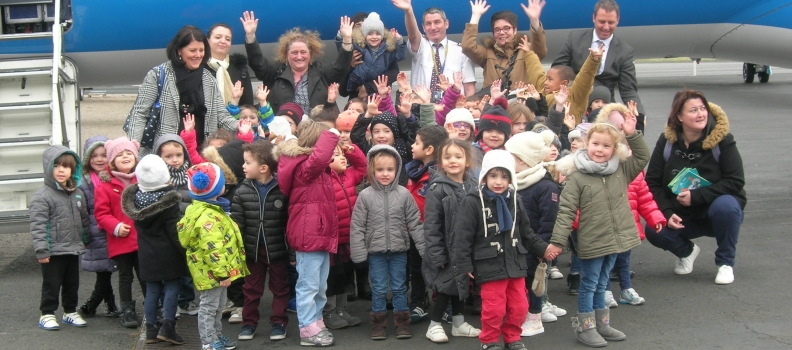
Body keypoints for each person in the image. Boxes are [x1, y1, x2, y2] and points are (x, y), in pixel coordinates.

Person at [546, 115, 648, 347]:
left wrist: (632, 134)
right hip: (592, 240)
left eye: (606, 145)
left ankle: (602, 324)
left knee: (603, 282)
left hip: (616, 238)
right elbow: (566, 211)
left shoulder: (620, 170)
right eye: (595, 144)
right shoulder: (578, 176)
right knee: (590, 282)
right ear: (586, 143)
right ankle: (586, 327)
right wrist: (558, 242)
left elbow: (642, 156)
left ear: (615, 149)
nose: (600, 150)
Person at [454, 150, 555, 350]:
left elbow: (526, 232)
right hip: (488, 264)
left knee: (520, 307)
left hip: (515, 262)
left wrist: (544, 249)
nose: (498, 181)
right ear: (484, 176)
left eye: (504, 176)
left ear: (510, 178)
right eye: (493, 176)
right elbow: (462, 236)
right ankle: (489, 341)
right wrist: (464, 263)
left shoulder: (515, 200)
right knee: (494, 308)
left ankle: (512, 338)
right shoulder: (473, 201)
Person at [643, 90, 746, 285]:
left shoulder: (723, 140)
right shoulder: (667, 142)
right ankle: (687, 252)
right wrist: (666, 211)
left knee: (727, 206)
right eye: (693, 110)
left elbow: (735, 181)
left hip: (715, 212)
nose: (700, 114)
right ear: (679, 117)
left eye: (702, 109)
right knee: (653, 227)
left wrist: (697, 196)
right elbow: (652, 183)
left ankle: (725, 263)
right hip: (682, 215)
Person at [350, 145, 426, 340]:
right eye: (380, 170)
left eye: (390, 170)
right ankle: (378, 324)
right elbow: (357, 225)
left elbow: (415, 223)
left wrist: (424, 247)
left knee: (400, 286)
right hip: (375, 252)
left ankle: (402, 323)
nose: (385, 174)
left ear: (397, 170)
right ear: (372, 171)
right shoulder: (365, 196)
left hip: (399, 251)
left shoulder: (403, 194)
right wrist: (358, 253)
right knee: (379, 287)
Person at [276, 119, 340, 346]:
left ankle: (315, 321)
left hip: (318, 235)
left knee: (320, 285)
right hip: (309, 236)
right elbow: (319, 157)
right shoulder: (305, 168)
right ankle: (307, 329)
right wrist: (332, 134)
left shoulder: (317, 169)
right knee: (309, 285)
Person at [126, 25, 238, 156]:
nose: (198, 55)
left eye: (201, 50)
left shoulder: (208, 80)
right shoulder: (158, 75)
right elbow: (139, 113)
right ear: (179, 50)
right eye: (192, 50)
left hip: (200, 155)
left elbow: (222, 116)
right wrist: (132, 145)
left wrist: (242, 126)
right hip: (166, 155)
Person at [178, 162, 249, 350]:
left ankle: (216, 335)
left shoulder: (208, 210)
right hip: (214, 273)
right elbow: (213, 249)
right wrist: (222, 274)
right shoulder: (209, 216)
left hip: (214, 271)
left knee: (217, 306)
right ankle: (208, 341)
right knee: (209, 308)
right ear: (216, 189)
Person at [120, 155, 188, 345]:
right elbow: (174, 232)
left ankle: (151, 329)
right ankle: (168, 327)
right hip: (168, 253)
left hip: (146, 253)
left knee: (152, 289)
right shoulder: (168, 202)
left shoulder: (136, 199)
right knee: (172, 287)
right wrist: (185, 252)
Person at [504, 130, 565, 337]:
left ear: (522, 160)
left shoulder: (545, 186)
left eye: (510, 155)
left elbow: (550, 220)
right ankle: (522, 314)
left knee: (535, 282)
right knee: (520, 282)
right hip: (515, 245)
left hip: (535, 245)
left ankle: (535, 316)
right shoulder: (513, 182)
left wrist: (543, 247)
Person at [551, 0, 646, 130]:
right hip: (575, 101)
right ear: (594, 18)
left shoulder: (625, 51)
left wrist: (640, 114)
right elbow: (558, 70)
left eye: (611, 22)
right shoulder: (575, 39)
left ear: (618, 20)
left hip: (604, 108)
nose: (606, 27)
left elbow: (628, 89)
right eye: (602, 22)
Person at [422, 139, 481, 343]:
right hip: (446, 249)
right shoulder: (437, 188)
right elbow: (431, 225)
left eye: (458, 156)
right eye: (447, 157)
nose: (452, 161)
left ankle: (458, 322)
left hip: (466, 248)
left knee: (461, 285)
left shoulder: (473, 185)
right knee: (446, 287)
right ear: (440, 161)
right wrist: (437, 253)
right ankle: (434, 324)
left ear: (467, 161)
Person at [231, 141, 291, 341]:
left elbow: (288, 224)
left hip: (278, 250)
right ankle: (248, 324)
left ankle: (279, 322)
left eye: (248, 163)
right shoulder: (242, 192)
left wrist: (291, 252)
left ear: (263, 168)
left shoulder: (283, 189)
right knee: (251, 288)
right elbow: (237, 225)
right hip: (252, 251)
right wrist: (237, 253)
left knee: (280, 287)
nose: (243, 166)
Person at [241, 11, 354, 114]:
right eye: (294, 52)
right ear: (286, 54)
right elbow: (257, 63)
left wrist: (347, 39)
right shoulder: (275, 73)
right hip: (283, 130)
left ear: (311, 54)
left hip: (315, 129)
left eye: (303, 52)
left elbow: (341, 67)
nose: (299, 56)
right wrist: (250, 36)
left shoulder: (321, 73)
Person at [30, 146, 90, 330]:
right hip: (53, 250)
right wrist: (42, 250)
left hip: (73, 247)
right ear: (49, 168)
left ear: (74, 169)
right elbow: (38, 226)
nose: (61, 170)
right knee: (52, 283)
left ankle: (70, 311)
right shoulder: (42, 197)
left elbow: (84, 219)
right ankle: (47, 314)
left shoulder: (77, 193)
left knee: (72, 282)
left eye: (66, 166)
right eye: (56, 166)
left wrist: (86, 239)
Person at [94, 137, 144, 328]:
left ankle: (152, 306)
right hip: (121, 240)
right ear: (112, 160)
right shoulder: (104, 186)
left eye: (129, 153)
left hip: (141, 238)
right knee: (125, 276)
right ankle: (127, 310)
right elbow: (101, 213)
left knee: (145, 275)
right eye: (120, 154)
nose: (125, 156)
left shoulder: (143, 179)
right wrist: (115, 227)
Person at [391, 0, 477, 98]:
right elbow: (413, 35)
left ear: (446, 23)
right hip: (423, 108)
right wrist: (408, 11)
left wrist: (468, 109)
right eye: (428, 24)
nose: (433, 27)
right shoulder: (421, 46)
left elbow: (469, 89)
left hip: (452, 109)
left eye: (437, 22)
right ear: (423, 27)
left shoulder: (461, 51)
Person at [322, 143, 367, 330]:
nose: (342, 158)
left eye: (342, 154)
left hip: (348, 238)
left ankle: (342, 309)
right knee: (330, 278)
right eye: (335, 155)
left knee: (344, 276)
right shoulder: (323, 179)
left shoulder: (349, 175)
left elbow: (363, 168)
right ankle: (328, 311)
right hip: (331, 240)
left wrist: (352, 151)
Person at [77, 136, 121, 318]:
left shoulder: (113, 178)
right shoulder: (84, 182)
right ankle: (94, 304)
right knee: (104, 271)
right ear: (88, 159)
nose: (100, 159)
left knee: (105, 270)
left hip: (111, 230)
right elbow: (83, 211)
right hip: (95, 232)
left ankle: (108, 305)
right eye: (94, 156)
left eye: (104, 155)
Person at [462, 0, 548, 92]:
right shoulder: (487, 52)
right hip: (494, 104)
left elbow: (540, 50)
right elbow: (467, 46)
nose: (501, 33)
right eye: (497, 30)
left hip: (521, 103)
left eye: (506, 28)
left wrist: (534, 20)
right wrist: (475, 16)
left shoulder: (526, 49)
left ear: (515, 30)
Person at [345, 12, 407, 95]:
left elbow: (401, 56)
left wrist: (399, 40)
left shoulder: (387, 50)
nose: (374, 37)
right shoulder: (359, 46)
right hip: (356, 86)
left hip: (378, 91)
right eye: (370, 34)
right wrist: (343, 36)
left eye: (378, 34)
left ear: (382, 35)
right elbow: (344, 50)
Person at [206, 23, 254, 107]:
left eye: (227, 39)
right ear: (207, 41)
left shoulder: (239, 67)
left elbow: (247, 104)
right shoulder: (200, 67)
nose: (223, 41)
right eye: (218, 37)